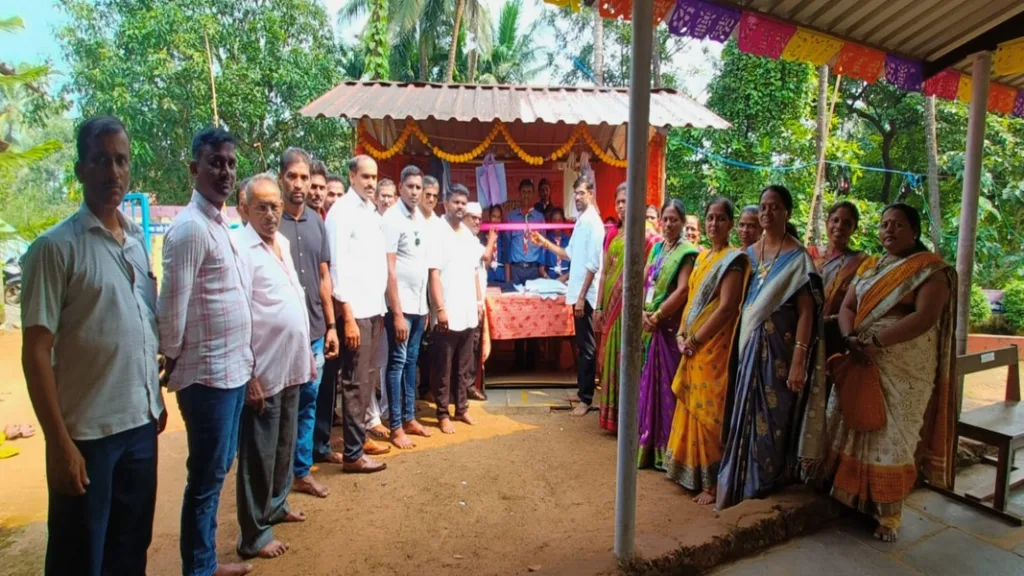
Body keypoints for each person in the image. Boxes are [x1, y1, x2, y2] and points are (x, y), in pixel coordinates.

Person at [21, 116, 165, 576]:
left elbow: (141, 325)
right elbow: (35, 351)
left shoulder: (136, 241)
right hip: (87, 437)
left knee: (130, 551)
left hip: (140, 427)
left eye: (121, 160)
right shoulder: (55, 248)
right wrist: (58, 444)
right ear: (80, 169)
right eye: (101, 160)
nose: (113, 172)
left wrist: (155, 399)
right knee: (79, 559)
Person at [826, 204, 955, 543]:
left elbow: (925, 317)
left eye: (898, 225)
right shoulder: (870, 266)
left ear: (914, 231)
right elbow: (848, 306)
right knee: (853, 421)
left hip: (903, 366)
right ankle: (851, 496)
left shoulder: (929, 270)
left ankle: (888, 514)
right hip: (860, 353)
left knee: (892, 436)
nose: (889, 230)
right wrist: (849, 337)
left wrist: (877, 342)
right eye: (884, 224)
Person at [159, 127, 255, 576]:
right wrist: (172, 361)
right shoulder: (189, 229)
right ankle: (198, 568)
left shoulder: (219, 223)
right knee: (205, 478)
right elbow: (170, 313)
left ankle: (206, 562)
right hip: (206, 377)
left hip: (231, 372)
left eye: (231, 163)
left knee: (216, 472)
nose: (226, 172)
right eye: (216, 163)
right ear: (194, 168)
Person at [717, 185, 825, 511]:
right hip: (747, 346)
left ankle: (762, 487)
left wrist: (799, 360)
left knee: (772, 418)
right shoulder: (748, 255)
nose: (767, 212)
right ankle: (735, 488)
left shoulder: (799, 259)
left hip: (780, 352)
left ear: (787, 213)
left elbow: (807, 312)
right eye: (763, 206)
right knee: (742, 413)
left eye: (775, 207)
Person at [234, 175, 315, 560]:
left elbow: (293, 300)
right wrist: (248, 375)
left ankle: (277, 506)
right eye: (262, 207)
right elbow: (239, 314)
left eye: (275, 206)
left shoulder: (281, 242)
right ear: (245, 209)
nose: (270, 214)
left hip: (292, 364)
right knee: (259, 454)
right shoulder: (240, 248)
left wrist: (306, 354)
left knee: (284, 444)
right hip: (263, 369)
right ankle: (252, 535)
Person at [665, 197, 749, 505]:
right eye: (710, 218)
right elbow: (691, 301)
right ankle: (687, 471)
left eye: (720, 219)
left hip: (713, 348)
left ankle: (712, 484)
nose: (714, 224)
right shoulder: (702, 257)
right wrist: (681, 334)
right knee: (690, 405)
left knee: (709, 411)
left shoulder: (734, 260)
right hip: (692, 343)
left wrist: (696, 340)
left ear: (730, 224)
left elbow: (727, 307)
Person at [276, 148, 339, 499]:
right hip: (280, 335)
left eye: (304, 177)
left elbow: (324, 277)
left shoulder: (317, 222)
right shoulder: (270, 220)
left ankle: (301, 471)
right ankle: (277, 481)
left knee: (308, 403)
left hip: (315, 331)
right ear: (281, 178)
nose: (299, 184)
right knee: (280, 408)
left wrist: (331, 326)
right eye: (293, 177)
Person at [324, 154, 390, 473]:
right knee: (354, 381)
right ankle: (352, 454)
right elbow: (336, 266)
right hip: (356, 312)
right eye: (365, 176)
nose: (371, 183)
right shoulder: (341, 212)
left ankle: (358, 442)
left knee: (366, 381)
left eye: (374, 177)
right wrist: (347, 316)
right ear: (351, 177)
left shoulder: (370, 211)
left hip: (374, 309)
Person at [530, 176, 606, 417]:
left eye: (582, 193)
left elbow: (593, 264)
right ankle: (582, 391)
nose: (578, 197)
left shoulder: (594, 223)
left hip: (587, 295)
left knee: (587, 347)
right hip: (576, 293)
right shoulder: (581, 221)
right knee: (581, 345)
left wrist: (582, 296)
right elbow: (568, 254)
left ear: (591, 194)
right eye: (576, 193)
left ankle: (587, 399)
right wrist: (544, 242)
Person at [636, 200, 700, 469]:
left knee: (668, 387)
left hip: (670, 327)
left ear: (682, 222)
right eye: (666, 219)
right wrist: (642, 311)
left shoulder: (687, 253)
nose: (669, 224)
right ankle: (649, 445)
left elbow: (683, 290)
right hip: (650, 323)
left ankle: (669, 451)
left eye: (675, 219)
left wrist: (658, 315)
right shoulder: (657, 248)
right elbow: (644, 280)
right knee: (649, 385)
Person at [596, 184, 661, 432]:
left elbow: (653, 273)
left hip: (630, 310)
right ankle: (613, 418)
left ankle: (631, 420)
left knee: (628, 361)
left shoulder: (648, 235)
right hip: (611, 308)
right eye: (619, 202)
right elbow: (605, 272)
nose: (622, 206)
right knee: (610, 359)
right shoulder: (613, 234)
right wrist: (599, 306)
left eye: (627, 201)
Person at [382, 165, 434, 449]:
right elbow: (390, 269)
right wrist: (398, 314)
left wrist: (425, 308)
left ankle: (410, 417)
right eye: (410, 187)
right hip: (400, 308)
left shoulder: (420, 218)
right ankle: (396, 426)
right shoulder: (392, 218)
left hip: (418, 306)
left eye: (418, 187)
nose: (415, 192)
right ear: (400, 187)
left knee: (411, 361)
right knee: (397, 363)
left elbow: (422, 265)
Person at [428, 184, 484, 433]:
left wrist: (479, 302)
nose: (460, 207)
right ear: (445, 204)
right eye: (456, 202)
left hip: (468, 311)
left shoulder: (468, 236)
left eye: (463, 203)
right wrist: (440, 308)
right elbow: (434, 274)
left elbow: (474, 272)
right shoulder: (437, 231)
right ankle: (442, 412)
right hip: (447, 311)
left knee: (464, 365)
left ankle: (461, 408)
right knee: (444, 366)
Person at [809, 201, 868, 356]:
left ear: (854, 229)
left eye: (847, 223)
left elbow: (858, 301)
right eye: (835, 220)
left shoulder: (861, 262)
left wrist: (831, 319)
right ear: (827, 222)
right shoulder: (809, 254)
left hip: (834, 332)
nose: (839, 226)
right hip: (801, 326)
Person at [506, 179, 546, 369]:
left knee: (533, 313)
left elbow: (544, 245)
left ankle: (532, 358)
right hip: (516, 270)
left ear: (533, 194)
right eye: (524, 192)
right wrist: (508, 276)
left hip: (533, 269)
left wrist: (542, 268)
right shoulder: (511, 217)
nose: (527, 195)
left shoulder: (539, 218)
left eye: (530, 192)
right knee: (516, 313)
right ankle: (518, 358)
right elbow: (507, 246)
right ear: (519, 193)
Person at [464, 202, 495, 402]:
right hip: (469, 303)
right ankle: (464, 388)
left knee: (473, 345)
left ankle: (467, 386)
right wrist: (491, 239)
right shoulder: (465, 239)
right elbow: (485, 257)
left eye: (479, 219)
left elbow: (487, 262)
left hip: (476, 301)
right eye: (473, 218)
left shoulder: (473, 240)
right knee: (469, 346)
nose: (477, 222)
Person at [544, 206, 571, 282]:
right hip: (550, 279)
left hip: (567, 280)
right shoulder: (546, 241)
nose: (557, 223)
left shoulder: (569, 241)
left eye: (559, 220)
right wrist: (549, 280)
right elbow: (541, 268)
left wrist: (565, 277)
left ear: (563, 222)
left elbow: (575, 266)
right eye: (554, 220)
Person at [483, 204, 508, 287]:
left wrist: (507, 283)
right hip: (486, 273)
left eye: (499, 217)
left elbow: (506, 262)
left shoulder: (504, 236)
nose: (496, 220)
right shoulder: (483, 235)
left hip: (500, 275)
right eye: (494, 216)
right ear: (489, 217)